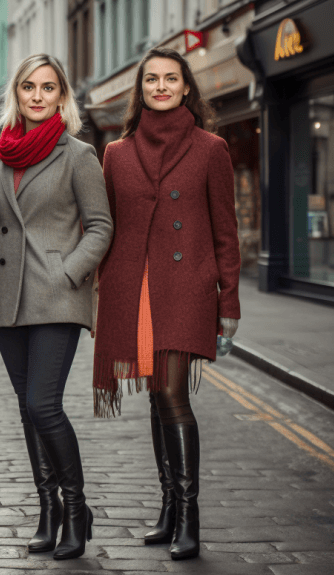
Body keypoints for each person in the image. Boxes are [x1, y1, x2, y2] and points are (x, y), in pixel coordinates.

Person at [92, 47, 241, 561]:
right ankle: (168, 507)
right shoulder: (116, 153)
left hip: (185, 289)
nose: (160, 86)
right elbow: (105, 228)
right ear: (142, 90)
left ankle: (190, 515)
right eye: (151, 79)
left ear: (185, 87)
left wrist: (230, 303)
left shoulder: (211, 148)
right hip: (134, 292)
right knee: (156, 397)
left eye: (170, 79)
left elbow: (226, 231)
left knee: (174, 395)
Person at [0, 54, 113, 560]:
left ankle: (76, 509)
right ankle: (47, 510)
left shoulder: (78, 155)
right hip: (7, 298)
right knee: (26, 409)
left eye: (48, 87)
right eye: (29, 86)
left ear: (61, 96)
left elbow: (100, 225)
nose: (37, 95)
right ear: (17, 93)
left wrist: (69, 272)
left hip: (57, 295)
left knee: (43, 405)